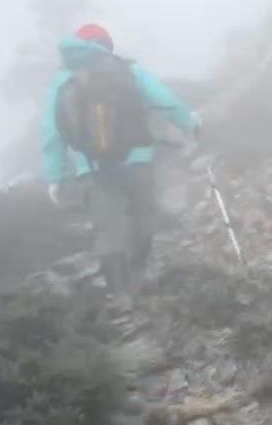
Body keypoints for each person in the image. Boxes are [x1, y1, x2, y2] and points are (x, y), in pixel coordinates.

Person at [41, 23, 199, 306]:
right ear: (107, 46)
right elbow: (166, 101)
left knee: (108, 228)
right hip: (136, 158)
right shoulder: (127, 69)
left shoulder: (63, 81)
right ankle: (138, 280)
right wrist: (191, 124)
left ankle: (120, 295)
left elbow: (52, 133)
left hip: (92, 165)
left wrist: (55, 176)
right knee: (142, 218)